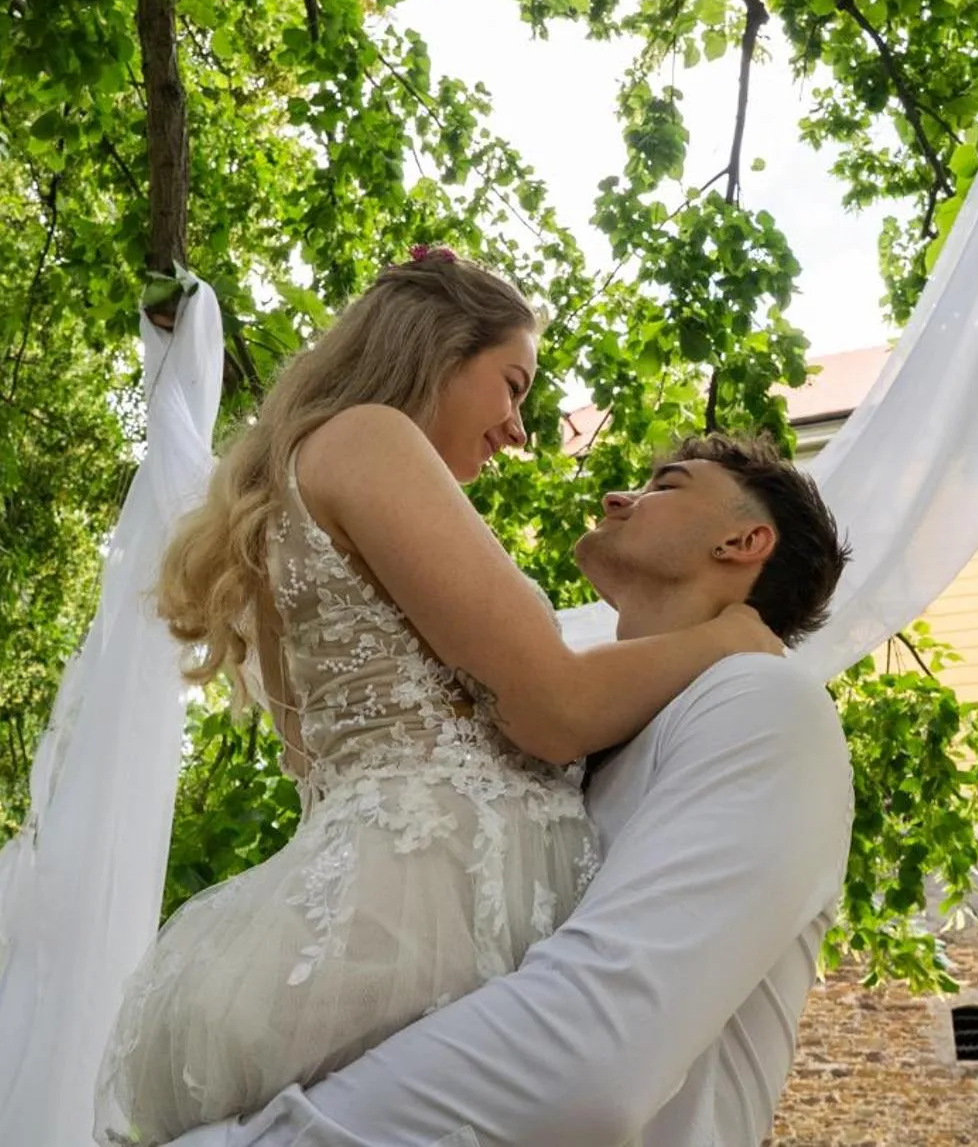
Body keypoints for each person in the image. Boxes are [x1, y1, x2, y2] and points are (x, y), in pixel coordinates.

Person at [94, 250, 786, 1145]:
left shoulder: (300, 488)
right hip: (428, 902)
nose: (518, 431)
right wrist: (728, 637)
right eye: (513, 385)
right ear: (438, 350)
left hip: (364, 897)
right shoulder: (370, 439)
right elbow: (556, 708)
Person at [177, 432, 856, 1146]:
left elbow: (592, 1054)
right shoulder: (580, 751)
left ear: (743, 541)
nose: (616, 497)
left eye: (666, 485)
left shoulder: (763, 704)